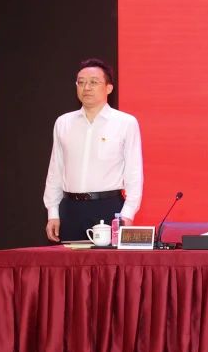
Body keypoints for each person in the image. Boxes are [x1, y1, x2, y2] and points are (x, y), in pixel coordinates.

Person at [44, 58, 143, 243]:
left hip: (108, 207)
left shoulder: (125, 123)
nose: (86, 87)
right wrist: (53, 212)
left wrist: (127, 213)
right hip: (70, 209)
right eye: (81, 82)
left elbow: (134, 173)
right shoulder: (63, 123)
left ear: (109, 88)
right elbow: (55, 170)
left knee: (107, 262)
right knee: (68, 261)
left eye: (93, 82)